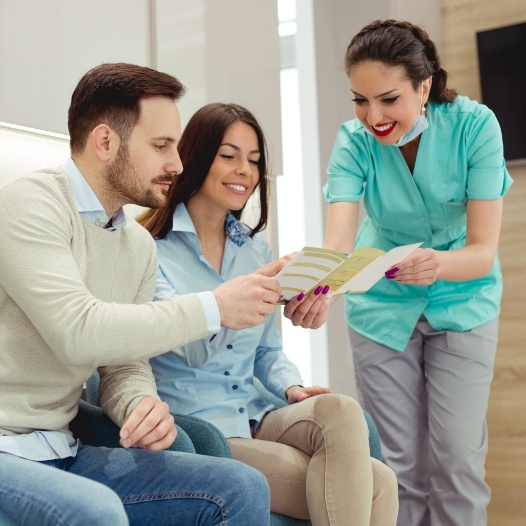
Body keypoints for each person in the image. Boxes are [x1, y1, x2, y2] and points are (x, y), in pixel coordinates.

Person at [0, 62, 284, 526]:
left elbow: (123, 363)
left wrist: (138, 404)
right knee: (95, 510)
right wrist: (214, 307)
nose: (177, 163)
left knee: (240, 485)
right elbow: (79, 331)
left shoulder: (134, 245)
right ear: (106, 142)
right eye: (161, 146)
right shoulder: (29, 205)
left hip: (61, 448)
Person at [138, 102, 399, 526]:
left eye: (254, 160)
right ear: (197, 157)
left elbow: (267, 352)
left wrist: (291, 386)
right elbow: (192, 351)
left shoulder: (254, 248)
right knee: (379, 485)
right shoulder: (149, 249)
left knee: (343, 411)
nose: (245, 169)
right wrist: (242, 292)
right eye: (229, 156)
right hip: (202, 429)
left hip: (257, 411)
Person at [321, 19, 514, 526]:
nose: (373, 117)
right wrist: (317, 287)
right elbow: (338, 244)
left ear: (423, 85)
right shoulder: (353, 141)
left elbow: (481, 251)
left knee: (457, 462)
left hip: (462, 300)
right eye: (360, 101)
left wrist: (437, 265)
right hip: (381, 305)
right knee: (397, 469)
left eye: (388, 99)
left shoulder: (475, 127)